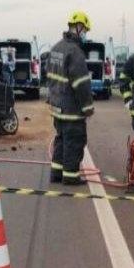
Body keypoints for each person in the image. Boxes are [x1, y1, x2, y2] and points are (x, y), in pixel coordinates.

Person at [47, 11, 94, 185]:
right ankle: (71, 176)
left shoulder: (55, 48)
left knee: (61, 139)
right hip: (71, 109)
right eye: (85, 30)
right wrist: (88, 108)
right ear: (78, 28)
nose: (85, 34)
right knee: (74, 141)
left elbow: (50, 77)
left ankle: (56, 174)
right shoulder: (76, 53)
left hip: (57, 106)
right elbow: (81, 84)